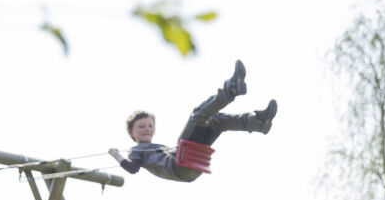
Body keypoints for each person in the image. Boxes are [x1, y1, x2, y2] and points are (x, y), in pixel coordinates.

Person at [108, 60, 278, 183]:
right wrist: (117, 155)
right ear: (131, 132)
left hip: (191, 166)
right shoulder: (136, 150)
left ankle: (258, 123)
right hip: (179, 165)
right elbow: (132, 169)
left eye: (150, 126)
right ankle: (231, 90)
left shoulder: (155, 147)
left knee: (216, 122)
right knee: (198, 116)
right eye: (141, 127)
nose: (147, 129)